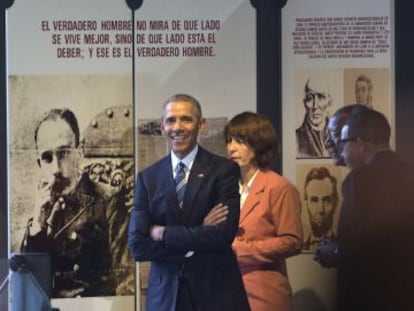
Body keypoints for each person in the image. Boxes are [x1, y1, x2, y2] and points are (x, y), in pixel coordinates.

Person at [127, 94, 250, 311]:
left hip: (215, 294)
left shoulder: (223, 171)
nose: (178, 127)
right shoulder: (148, 179)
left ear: (200, 125)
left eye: (186, 119)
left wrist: (165, 234)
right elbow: (138, 246)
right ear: (162, 127)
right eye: (171, 120)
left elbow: (223, 235)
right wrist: (200, 231)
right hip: (165, 299)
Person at [21, 108, 131, 297]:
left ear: (79, 153)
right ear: (39, 163)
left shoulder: (108, 201)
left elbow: (128, 281)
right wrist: (37, 226)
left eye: (63, 153)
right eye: (47, 158)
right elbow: (26, 285)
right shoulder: (40, 211)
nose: (55, 168)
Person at [223, 111, 303, 311]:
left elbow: (292, 242)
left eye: (240, 141)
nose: (232, 148)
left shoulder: (278, 187)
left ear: (258, 144)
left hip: (262, 295)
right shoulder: (226, 187)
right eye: (229, 141)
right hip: (226, 291)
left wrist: (241, 249)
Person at [337, 108, 414, 310]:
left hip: (368, 294)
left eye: (344, 143)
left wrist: (335, 251)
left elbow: (361, 242)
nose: (342, 152)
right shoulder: (410, 173)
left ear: (361, 144)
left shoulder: (359, 179)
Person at [302, 167, 338, 251]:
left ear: (335, 204)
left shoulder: (345, 247)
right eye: (314, 200)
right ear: (307, 204)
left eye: (326, 200)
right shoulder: (300, 248)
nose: (321, 210)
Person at [296, 77, 332, 158]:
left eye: (321, 97)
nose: (315, 106)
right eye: (310, 98)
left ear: (329, 103)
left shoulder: (338, 138)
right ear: (305, 103)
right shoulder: (296, 139)